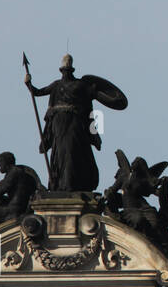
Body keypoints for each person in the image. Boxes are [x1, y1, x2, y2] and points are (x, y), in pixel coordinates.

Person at [25, 54, 127, 190]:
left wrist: (115, 100)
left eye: (66, 71)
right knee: (60, 153)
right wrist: (28, 83)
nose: (65, 73)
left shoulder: (81, 85)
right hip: (59, 124)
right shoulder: (57, 85)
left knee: (73, 151)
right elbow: (37, 92)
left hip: (74, 123)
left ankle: (71, 184)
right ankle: (62, 184)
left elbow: (100, 99)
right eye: (64, 71)